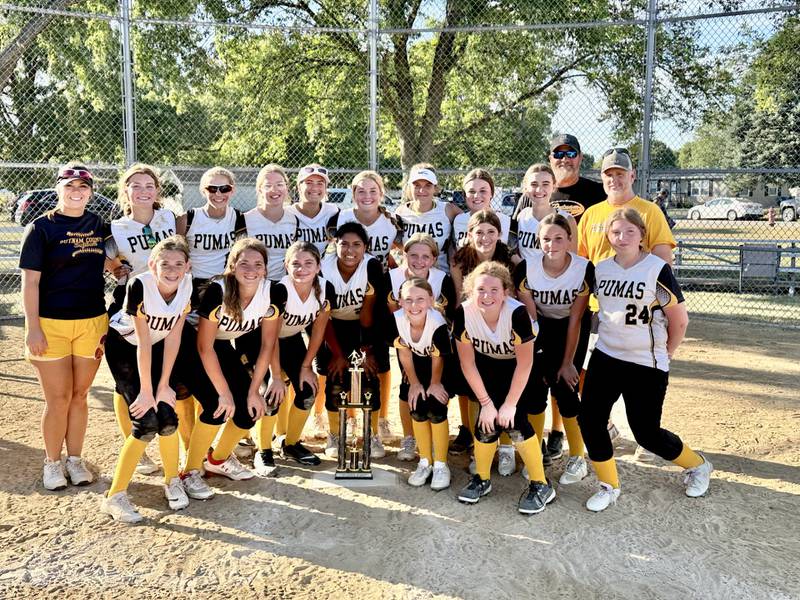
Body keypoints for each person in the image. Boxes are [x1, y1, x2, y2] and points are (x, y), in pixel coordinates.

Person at [578, 208, 713, 512]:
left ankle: (698, 464)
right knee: (590, 419)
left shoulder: (655, 268)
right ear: (608, 236)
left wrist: (670, 351)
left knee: (646, 433)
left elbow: (679, 319)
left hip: (645, 362)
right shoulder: (601, 269)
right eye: (615, 232)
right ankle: (608, 485)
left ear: (642, 235)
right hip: (607, 355)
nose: (622, 237)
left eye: (629, 231)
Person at [577, 148, 677, 458]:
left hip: (639, 314)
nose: (615, 179)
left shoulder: (648, 211)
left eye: (621, 173)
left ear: (632, 176)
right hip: (599, 312)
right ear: (602, 179)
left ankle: (647, 434)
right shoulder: (592, 214)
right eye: (609, 174)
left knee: (642, 383)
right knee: (590, 378)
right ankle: (605, 427)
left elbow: (663, 258)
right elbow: (582, 263)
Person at [20, 163, 109, 491]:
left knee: (80, 395)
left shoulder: (98, 223)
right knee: (57, 398)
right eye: (70, 186)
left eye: (83, 187)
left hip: (91, 321)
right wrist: (33, 328)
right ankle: (52, 463)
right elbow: (30, 282)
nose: (77, 192)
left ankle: (75, 458)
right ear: (59, 188)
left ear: (90, 191)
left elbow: (107, 256)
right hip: (51, 324)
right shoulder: (41, 228)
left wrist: (117, 265)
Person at [179, 238, 285, 499]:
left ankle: (217, 460)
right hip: (190, 346)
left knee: (250, 411)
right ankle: (190, 471)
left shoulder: (273, 293)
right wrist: (225, 392)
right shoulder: (218, 290)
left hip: (221, 345)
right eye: (244, 262)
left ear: (265, 268)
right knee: (218, 405)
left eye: (257, 264)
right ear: (232, 265)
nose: (251, 269)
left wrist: (253, 390)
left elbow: (267, 345)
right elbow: (204, 347)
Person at [101, 236, 194, 523]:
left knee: (168, 417)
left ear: (187, 266)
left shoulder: (186, 285)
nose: (172, 269)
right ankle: (114, 496)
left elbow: (173, 337)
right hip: (125, 348)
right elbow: (141, 342)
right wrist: (145, 390)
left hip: (157, 345)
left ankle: (171, 480)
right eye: (165, 263)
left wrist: (164, 384)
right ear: (152, 264)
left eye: (179, 264)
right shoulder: (140, 285)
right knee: (146, 421)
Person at [453, 262, 554, 514]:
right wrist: (487, 404)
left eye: (494, 290)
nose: (487, 296)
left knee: (516, 421)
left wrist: (509, 404)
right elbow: (467, 363)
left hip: (526, 365)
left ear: (506, 291)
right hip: (489, 363)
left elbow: (525, 363)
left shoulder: (516, 313)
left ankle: (541, 484)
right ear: (470, 291)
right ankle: (482, 479)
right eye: (480, 290)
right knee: (486, 422)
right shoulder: (463, 313)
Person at [106, 163, 182, 475]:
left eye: (149, 185)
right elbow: (107, 259)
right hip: (132, 307)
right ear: (125, 191)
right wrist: (116, 268)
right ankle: (135, 447)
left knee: (167, 378)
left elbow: (180, 246)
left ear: (157, 191)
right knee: (127, 385)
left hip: (167, 306)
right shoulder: (115, 228)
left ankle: (175, 448)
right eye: (135, 185)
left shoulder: (169, 217)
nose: (143, 191)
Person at [514, 213, 592, 485]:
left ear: (570, 240)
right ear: (538, 241)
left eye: (559, 238)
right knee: (535, 392)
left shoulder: (583, 268)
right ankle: (536, 454)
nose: (552, 244)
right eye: (546, 239)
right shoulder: (527, 268)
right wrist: (537, 355)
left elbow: (576, 319)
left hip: (571, 330)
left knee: (566, 390)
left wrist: (568, 361)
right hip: (541, 328)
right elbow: (533, 318)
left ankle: (577, 458)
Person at [255, 242, 335, 472]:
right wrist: (275, 375)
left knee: (308, 391)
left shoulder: (324, 288)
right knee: (272, 394)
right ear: (286, 266)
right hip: (262, 341)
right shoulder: (280, 290)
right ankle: (264, 450)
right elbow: (270, 338)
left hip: (290, 340)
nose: (302, 268)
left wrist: (306, 366)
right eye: (296, 264)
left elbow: (318, 331)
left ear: (319, 266)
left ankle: (290, 443)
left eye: (309, 263)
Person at [336, 171, 400, 440]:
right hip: (350, 289)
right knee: (347, 359)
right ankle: (349, 418)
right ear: (353, 194)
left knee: (381, 361)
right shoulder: (341, 217)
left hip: (380, 290)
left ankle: (382, 418)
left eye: (373, 191)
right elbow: (336, 250)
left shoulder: (391, 220)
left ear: (381, 194)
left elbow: (401, 251)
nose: (367, 196)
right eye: (361, 191)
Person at [450, 210, 517, 471]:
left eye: (491, 232)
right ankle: (477, 441)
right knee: (474, 390)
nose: (485, 237)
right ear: (469, 234)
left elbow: (515, 302)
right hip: (472, 328)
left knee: (503, 389)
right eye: (479, 232)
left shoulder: (510, 259)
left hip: (503, 331)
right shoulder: (459, 260)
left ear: (499, 235)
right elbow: (458, 300)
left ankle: (507, 446)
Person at [385, 234, 457, 461]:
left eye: (425, 256)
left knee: (437, 394)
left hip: (435, 341)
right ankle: (410, 438)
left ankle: (438, 445)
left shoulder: (441, 278)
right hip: (407, 338)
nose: (419, 260)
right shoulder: (393, 277)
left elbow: (450, 314)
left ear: (434, 258)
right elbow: (392, 314)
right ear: (404, 255)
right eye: (413, 255)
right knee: (409, 387)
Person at [319, 222, 387, 459]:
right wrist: (337, 354)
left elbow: (368, 313)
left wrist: (365, 350)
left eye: (357, 244)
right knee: (336, 381)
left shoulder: (371, 266)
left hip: (363, 326)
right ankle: (335, 434)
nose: (350, 250)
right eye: (344, 243)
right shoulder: (323, 268)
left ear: (365, 247)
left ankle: (371, 434)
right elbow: (323, 317)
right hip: (331, 326)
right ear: (334, 244)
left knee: (367, 378)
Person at [387, 278, 454, 490]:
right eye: (408, 300)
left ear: (431, 300)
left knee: (435, 408)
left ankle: (441, 464)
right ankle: (425, 461)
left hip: (444, 367)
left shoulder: (438, 323)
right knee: (416, 407)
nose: (414, 305)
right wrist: (415, 383)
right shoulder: (397, 319)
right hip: (416, 365)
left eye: (420, 299)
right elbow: (404, 353)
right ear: (400, 301)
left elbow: (439, 358)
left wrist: (434, 383)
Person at [177, 167, 246, 306]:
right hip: (193, 284)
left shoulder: (238, 218)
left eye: (224, 188)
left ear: (232, 190)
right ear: (203, 191)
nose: (219, 193)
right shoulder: (187, 219)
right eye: (212, 189)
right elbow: (175, 253)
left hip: (225, 283)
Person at [515, 133, 606, 222]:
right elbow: (513, 232)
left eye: (571, 154)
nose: (565, 159)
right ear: (550, 159)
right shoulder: (533, 194)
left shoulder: (598, 192)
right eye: (558, 154)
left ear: (580, 157)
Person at [395, 164, 461, 272]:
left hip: (442, 276)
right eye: (416, 185)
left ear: (435, 188)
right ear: (409, 187)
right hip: (411, 278)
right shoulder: (401, 212)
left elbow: (469, 221)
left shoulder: (448, 210)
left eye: (428, 185)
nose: (422, 190)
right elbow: (396, 243)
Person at [245, 164, 301, 281]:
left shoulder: (293, 220)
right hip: (254, 282)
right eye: (268, 185)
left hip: (283, 282)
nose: (274, 190)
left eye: (280, 184)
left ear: (286, 187)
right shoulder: (246, 219)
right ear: (260, 189)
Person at [515, 163, 577, 263]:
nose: (539, 190)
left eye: (545, 184)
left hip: (554, 277)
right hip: (525, 276)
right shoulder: (522, 216)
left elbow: (573, 260)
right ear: (526, 188)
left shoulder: (566, 219)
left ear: (554, 186)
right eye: (534, 184)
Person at [452, 169, 513, 250]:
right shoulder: (459, 220)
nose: (477, 195)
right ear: (464, 195)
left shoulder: (506, 221)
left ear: (491, 193)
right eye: (472, 191)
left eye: (483, 191)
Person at [286, 163, 340, 255]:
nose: (315, 188)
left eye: (320, 183)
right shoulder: (287, 214)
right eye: (309, 183)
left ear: (325, 188)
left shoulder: (333, 212)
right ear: (299, 187)